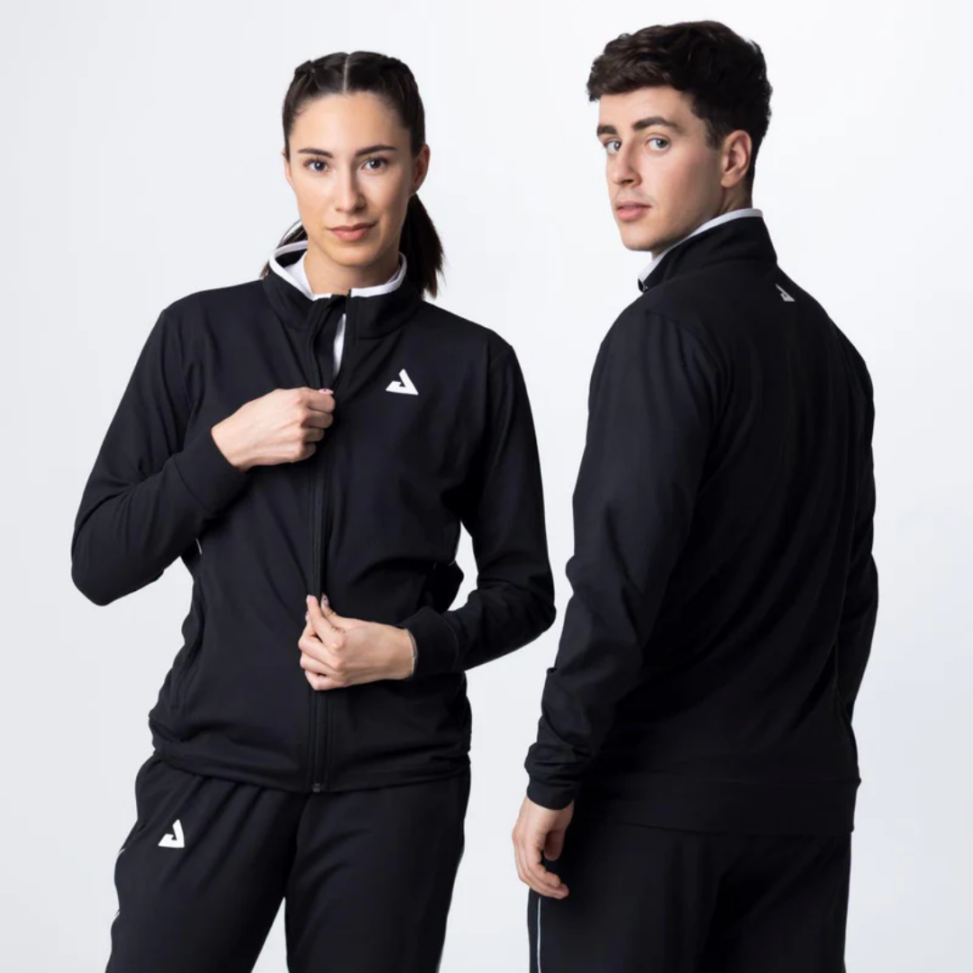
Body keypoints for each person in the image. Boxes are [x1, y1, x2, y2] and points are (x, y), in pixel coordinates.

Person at [72, 50, 555, 973]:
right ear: (287, 168)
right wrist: (225, 449)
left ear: (418, 165)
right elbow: (99, 560)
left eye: (375, 161)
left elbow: (526, 590)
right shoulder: (198, 334)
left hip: (393, 787)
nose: (347, 196)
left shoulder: (472, 365)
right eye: (318, 163)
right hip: (214, 767)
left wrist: (407, 648)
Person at [513, 20, 878, 973]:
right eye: (609, 140)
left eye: (656, 138)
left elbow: (616, 581)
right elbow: (851, 592)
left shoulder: (663, 331)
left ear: (732, 155)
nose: (622, 170)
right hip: (798, 809)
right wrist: (793, 741)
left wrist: (553, 771)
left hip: (653, 809)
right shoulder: (831, 350)